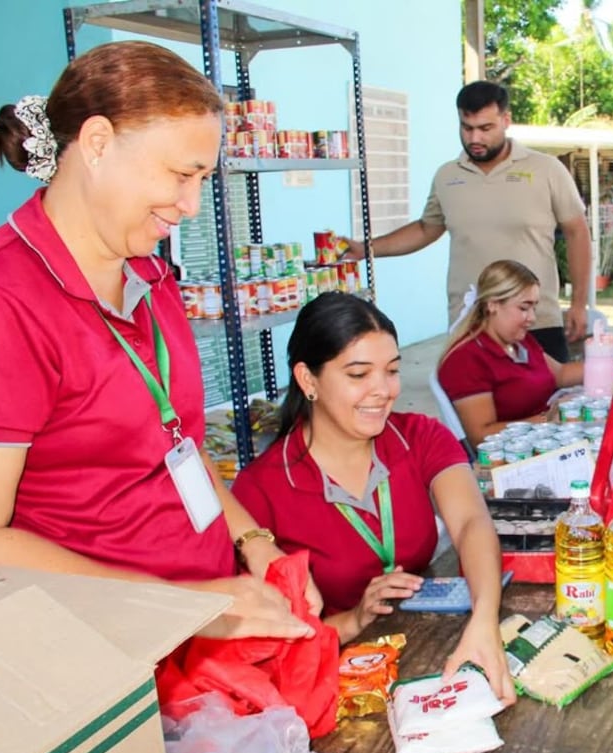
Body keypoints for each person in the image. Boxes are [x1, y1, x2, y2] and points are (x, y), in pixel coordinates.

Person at [0, 41, 318, 642]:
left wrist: (252, 542)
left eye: (202, 179)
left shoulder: (149, 274)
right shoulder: (3, 303)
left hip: (202, 621)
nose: (190, 206)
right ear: (96, 144)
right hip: (103, 652)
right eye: (179, 174)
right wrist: (184, 607)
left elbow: (177, 443)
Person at [231, 292, 514, 702]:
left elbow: (471, 522)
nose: (383, 390)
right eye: (359, 374)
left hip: (424, 655)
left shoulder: (419, 437)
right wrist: (352, 619)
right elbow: (261, 637)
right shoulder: (260, 490)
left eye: (392, 370)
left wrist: (485, 617)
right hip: (334, 683)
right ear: (308, 380)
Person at [341, 80, 591, 363]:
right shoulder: (447, 176)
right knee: (473, 406)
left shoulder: (545, 169)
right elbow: (426, 228)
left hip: (535, 322)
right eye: (466, 127)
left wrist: (579, 304)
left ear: (506, 120)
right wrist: (366, 249)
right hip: (469, 325)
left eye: (485, 128)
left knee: (549, 405)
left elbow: (577, 232)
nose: (475, 138)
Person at [437, 259, 585, 448]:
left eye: (534, 307)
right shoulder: (466, 359)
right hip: (515, 454)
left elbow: (561, 374)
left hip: (544, 440)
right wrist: (547, 418)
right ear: (492, 305)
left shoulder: (518, 341)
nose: (532, 318)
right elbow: (481, 436)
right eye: (524, 308)